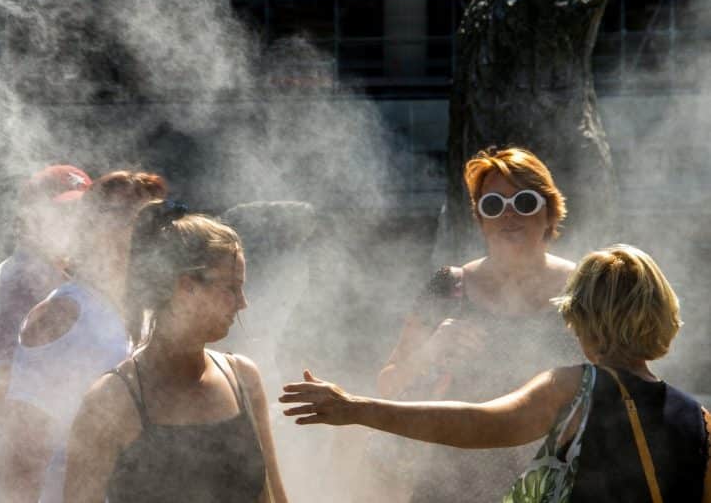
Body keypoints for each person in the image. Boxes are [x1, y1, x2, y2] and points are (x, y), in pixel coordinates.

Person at [281, 244, 711, 502]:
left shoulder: (573, 387)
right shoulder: (700, 420)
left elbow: (478, 424)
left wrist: (356, 408)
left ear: (580, 320)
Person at [374, 146, 582, 500]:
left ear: (550, 212)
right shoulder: (448, 285)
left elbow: (618, 385)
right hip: (452, 480)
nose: (509, 214)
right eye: (493, 205)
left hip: (551, 480)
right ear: (480, 219)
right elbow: (388, 385)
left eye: (525, 201)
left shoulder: (584, 287)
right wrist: (432, 350)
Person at [63, 201, 289, 503]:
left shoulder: (243, 380)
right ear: (186, 287)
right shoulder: (112, 400)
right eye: (231, 288)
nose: (242, 302)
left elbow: (272, 497)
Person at [5, 171, 167, 503]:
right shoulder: (63, 313)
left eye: (155, 224)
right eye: (136, 222)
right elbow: (24, 459)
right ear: (97, 229)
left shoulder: (146, 313)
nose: (152, 237)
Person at [0, 164, 91, 502]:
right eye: (62, 213)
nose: (74, 224)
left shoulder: (48, 277)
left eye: (81, 214)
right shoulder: (19, 284)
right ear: (30, 218)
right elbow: (5, 393)